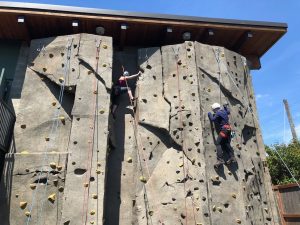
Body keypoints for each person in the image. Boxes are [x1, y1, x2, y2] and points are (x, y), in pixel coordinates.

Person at [208, 102, 236, 169]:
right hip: (229, 130)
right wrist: (225, 107)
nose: (213, 111)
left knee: (218, 143)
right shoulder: (224, 111)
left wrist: (209, 114)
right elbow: (228, 112)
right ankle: (232, 157)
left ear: (214, 109)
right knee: (225, 143)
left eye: (213, 110)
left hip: (224, 130)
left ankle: (220, 160)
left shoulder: (218, 113)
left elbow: (212, 119)